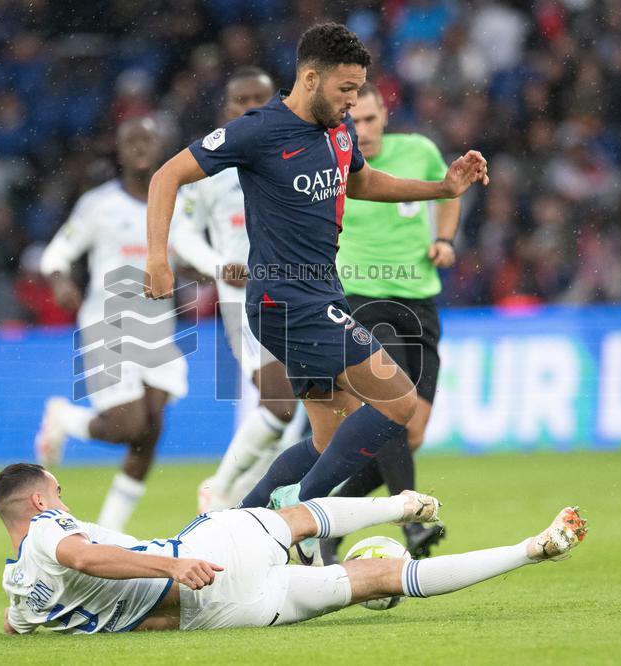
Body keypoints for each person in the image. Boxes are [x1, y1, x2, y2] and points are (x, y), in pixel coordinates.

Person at [144, 23, 488, 563]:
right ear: (309, 77)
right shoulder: (258, 130)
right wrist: (158, 259)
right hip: (286, 301)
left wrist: (441, 189)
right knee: (397, 401)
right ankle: (295, 520)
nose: (353, 101)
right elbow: (166, 176)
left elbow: (362, 182)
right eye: (346, 89)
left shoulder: (338, 131)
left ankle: (229, 539)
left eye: (359, 91)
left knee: (331, 437)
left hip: (320, 296)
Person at [0, 462, 588, 634]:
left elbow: (16, 617)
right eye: (59, 493)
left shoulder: (22, 593)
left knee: (377, 579)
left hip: (222, 616)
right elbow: (87, 557)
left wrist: (17, 617)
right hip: (202, 559)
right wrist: (174, 561)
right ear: (40, 505)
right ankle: (401, 504)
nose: (66, 503)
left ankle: (530, 549)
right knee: (295, 519)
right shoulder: (52, 530)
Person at [322, 82, 460, 563]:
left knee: (410, 431)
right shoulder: (331, 161)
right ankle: (413, 523)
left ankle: (330, 523)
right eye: (352, 122)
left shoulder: (418, 150)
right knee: (392, 410)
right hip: (362, 301)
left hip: (419, 302)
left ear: (385, 115)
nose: (360, 131)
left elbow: (449, 193)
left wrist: (444, 239)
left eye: (369, 120)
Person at [34, 117, 189, 532]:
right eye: (131, 140)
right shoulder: (98, 204)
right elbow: (55, 255)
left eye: (147, 139)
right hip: (109, 325)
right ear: (118, 152)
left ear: (161, 147)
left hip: (159, 328)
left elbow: (190, 251)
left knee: (150, 431)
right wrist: (62, 281)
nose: (140, 147)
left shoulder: (178, 199)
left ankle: (109, 533)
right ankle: (64, 417)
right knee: (129, 425)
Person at [171, 66, 303, 512]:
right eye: (239, 100)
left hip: (299, 289)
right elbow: (180, 233)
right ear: (225, 108)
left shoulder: (294, 152)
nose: (248, 108)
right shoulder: (209, 163)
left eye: (257, 99)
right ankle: (222, 487)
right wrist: (218, 266)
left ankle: (247, 503)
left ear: (275, 102)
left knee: (294, 408)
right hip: (244, 298)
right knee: (281, 401)